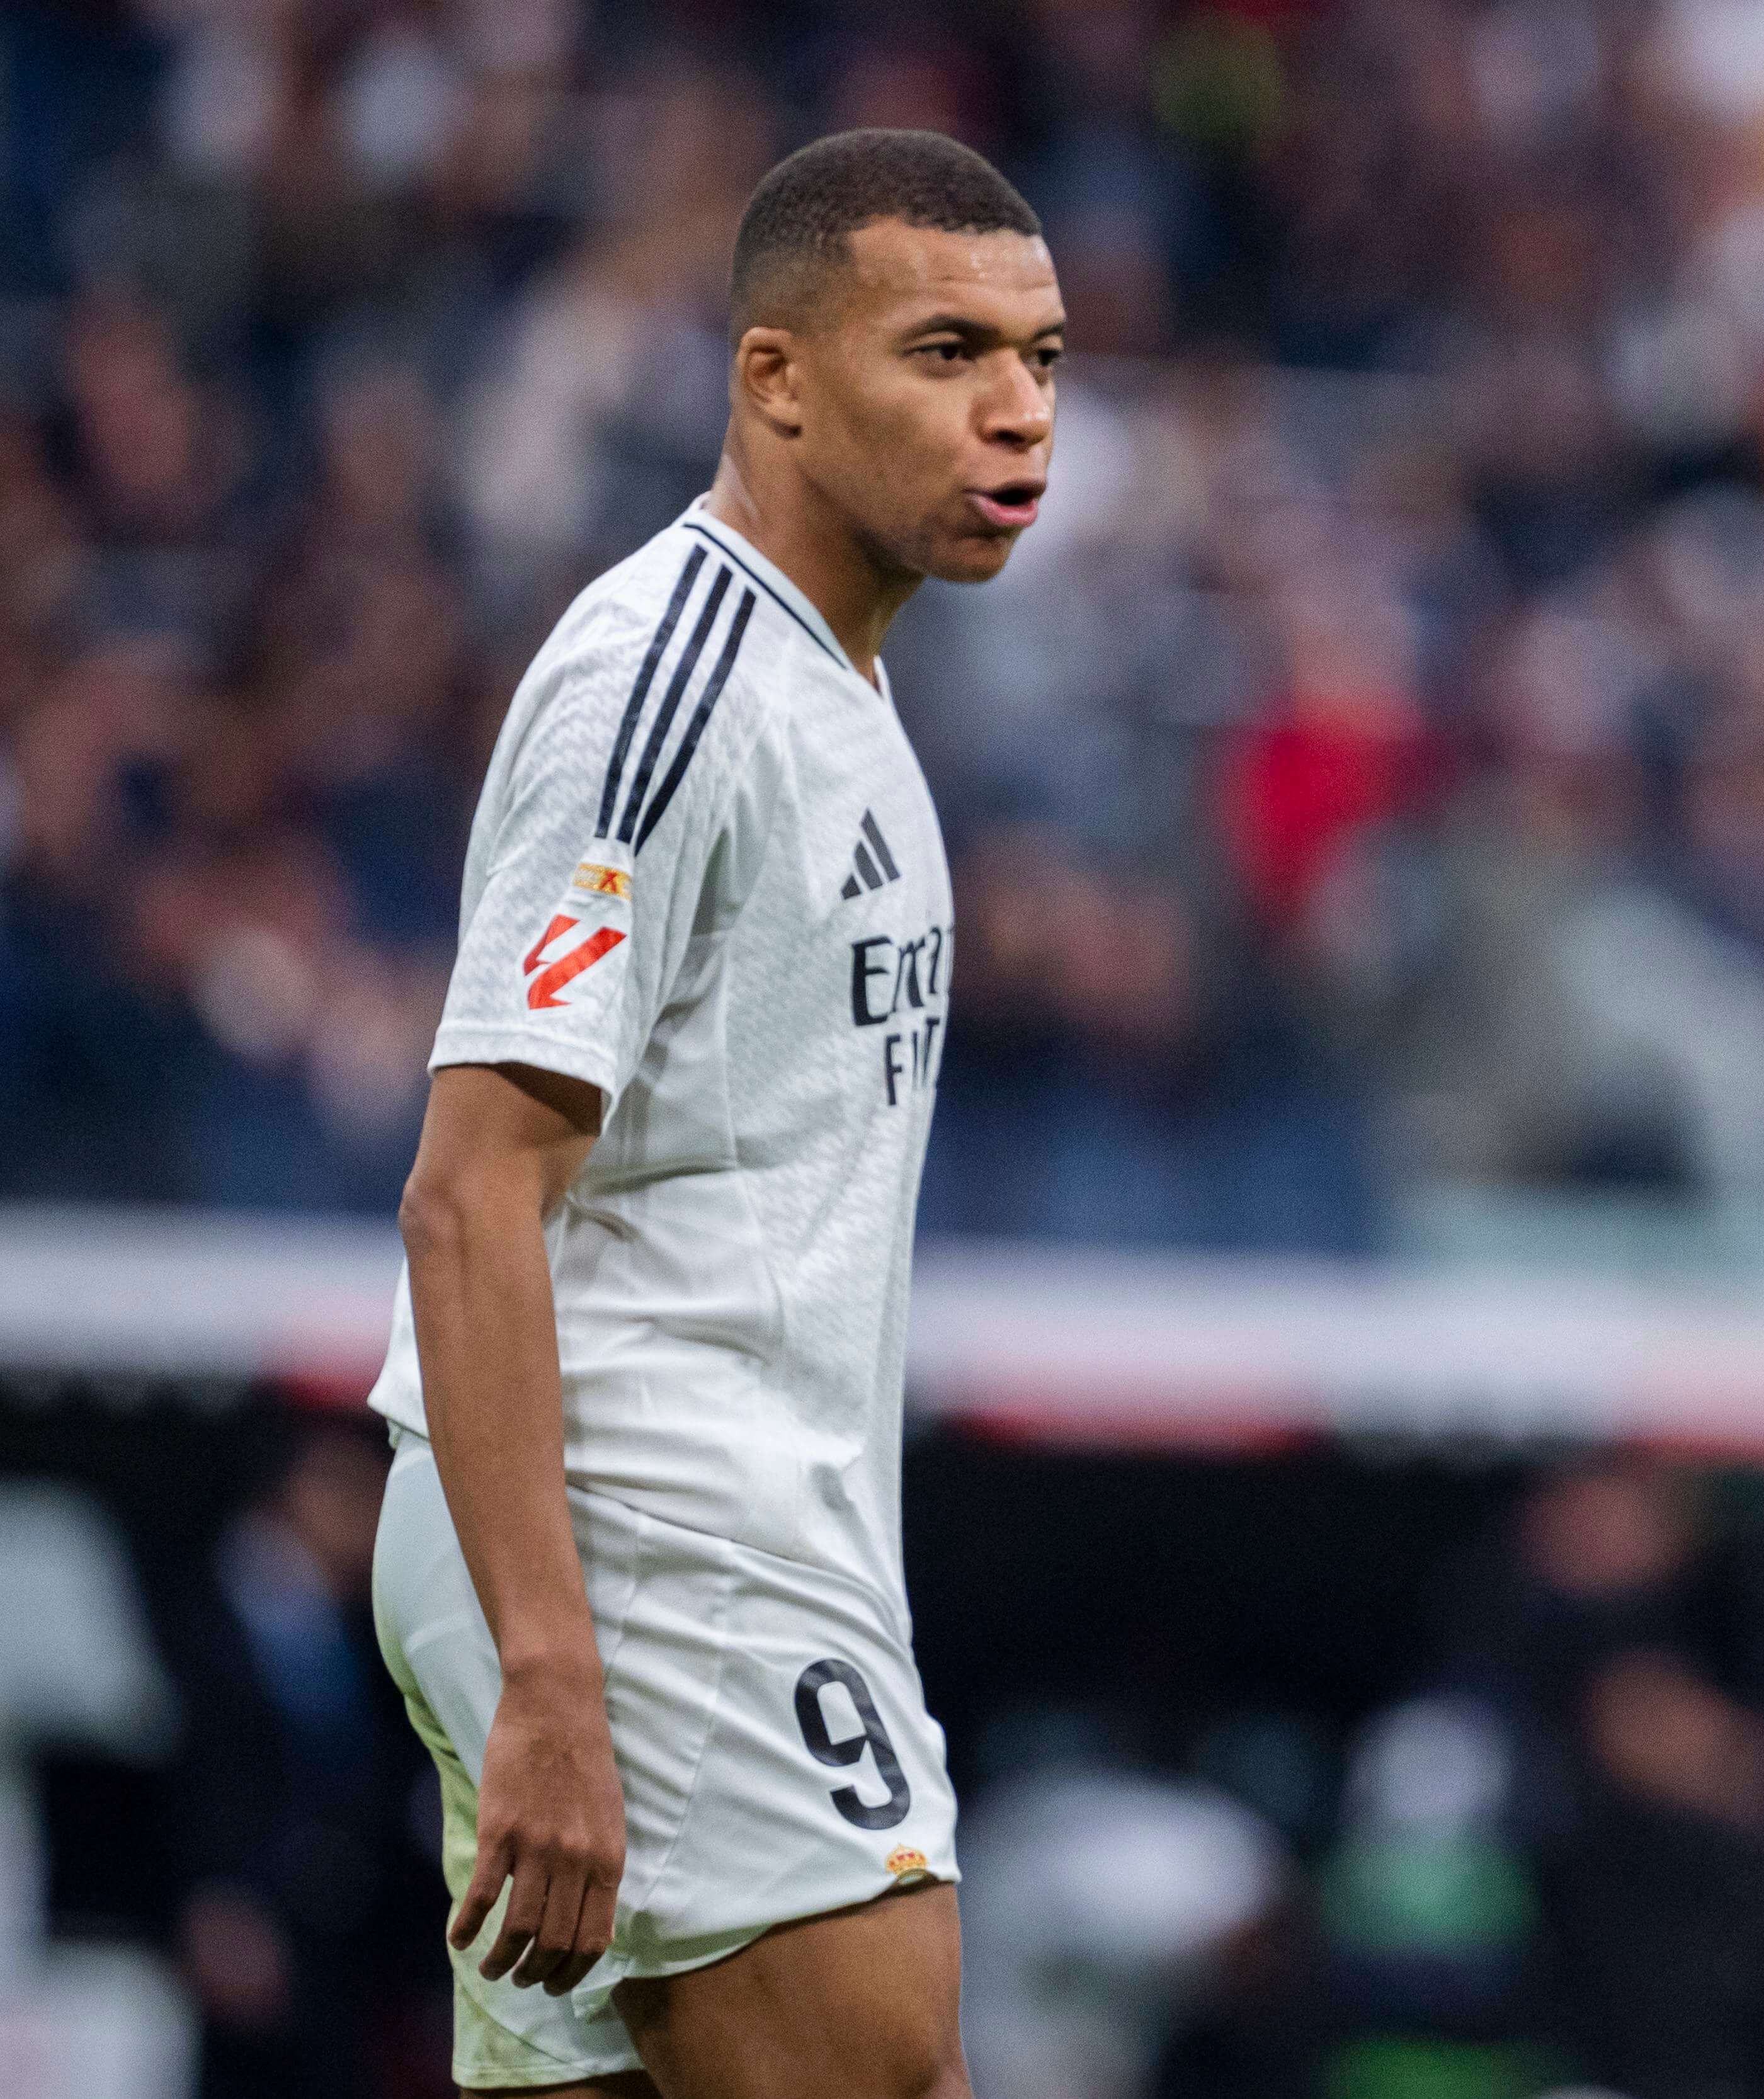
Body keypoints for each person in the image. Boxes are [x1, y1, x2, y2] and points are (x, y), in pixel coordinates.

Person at [365, 128, 1062, 2096]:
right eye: (945, 352)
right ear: (774, 378)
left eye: (1044, 357)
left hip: (656, 1529)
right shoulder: (664, 683)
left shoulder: (839, 676)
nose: (1016, 414)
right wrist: (558, 1678)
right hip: (645, 1531)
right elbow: (466, 1197)